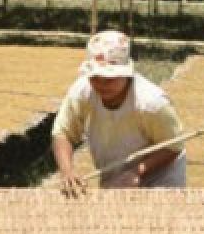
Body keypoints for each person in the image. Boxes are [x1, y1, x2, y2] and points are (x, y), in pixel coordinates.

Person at [51, 30, 186, 197]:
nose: (101, 85)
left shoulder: (151, 103)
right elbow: (63, 132)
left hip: (160, 180)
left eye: (109, 79)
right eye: (95, 77)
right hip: (114, 177)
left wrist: (137, 172)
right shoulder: (82, 91)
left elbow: (173, 146)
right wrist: (67, 171)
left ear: (125, 74)